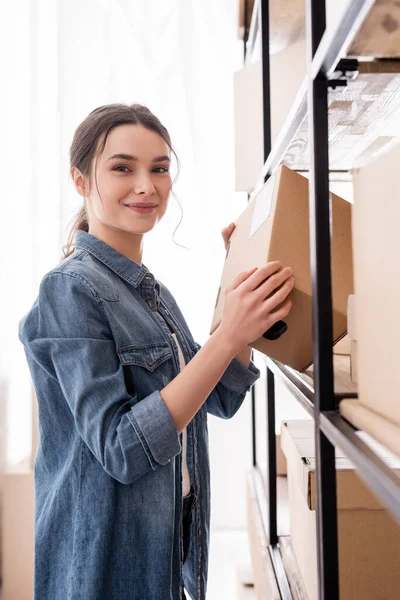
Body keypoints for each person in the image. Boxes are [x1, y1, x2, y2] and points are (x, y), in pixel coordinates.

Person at [18, 103, 295, 600]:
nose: (147, 185)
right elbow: (121, 449)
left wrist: (238, 277)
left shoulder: (153, 294)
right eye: (123, 168)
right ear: (81, 181)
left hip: (170, 556)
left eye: (160, 169)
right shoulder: (69, 291)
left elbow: (221, 398)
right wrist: (228, 335)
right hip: (103, 566)